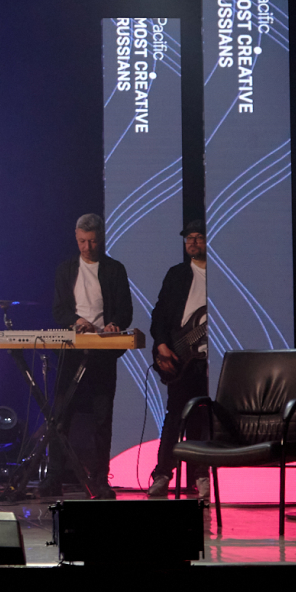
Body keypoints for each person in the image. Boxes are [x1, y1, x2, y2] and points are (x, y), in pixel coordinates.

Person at [47, 213, 132, 499]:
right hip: (71, 351)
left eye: (93, 242)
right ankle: (54, 476)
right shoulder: (65, 270)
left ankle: (100, 479)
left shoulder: (115, 269)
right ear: (76, 237)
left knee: (102, 417)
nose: (87, 247)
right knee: (61, 415)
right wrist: (77, 322)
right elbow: (59, 310)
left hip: (102, 352)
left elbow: (125, 309)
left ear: (101, 239)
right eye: (82, 241)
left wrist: (114, 324)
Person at [146, 223, 212, 500]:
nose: (193, 243)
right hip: (179, 355)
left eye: (198, 237)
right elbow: (159, 314)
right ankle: (162, 474)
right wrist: (162, 345)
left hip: (211, 360)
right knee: (174, 416)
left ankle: (201, 476)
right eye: (189, 239)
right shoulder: (177, 274)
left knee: (203, 419)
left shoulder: (221, 275)